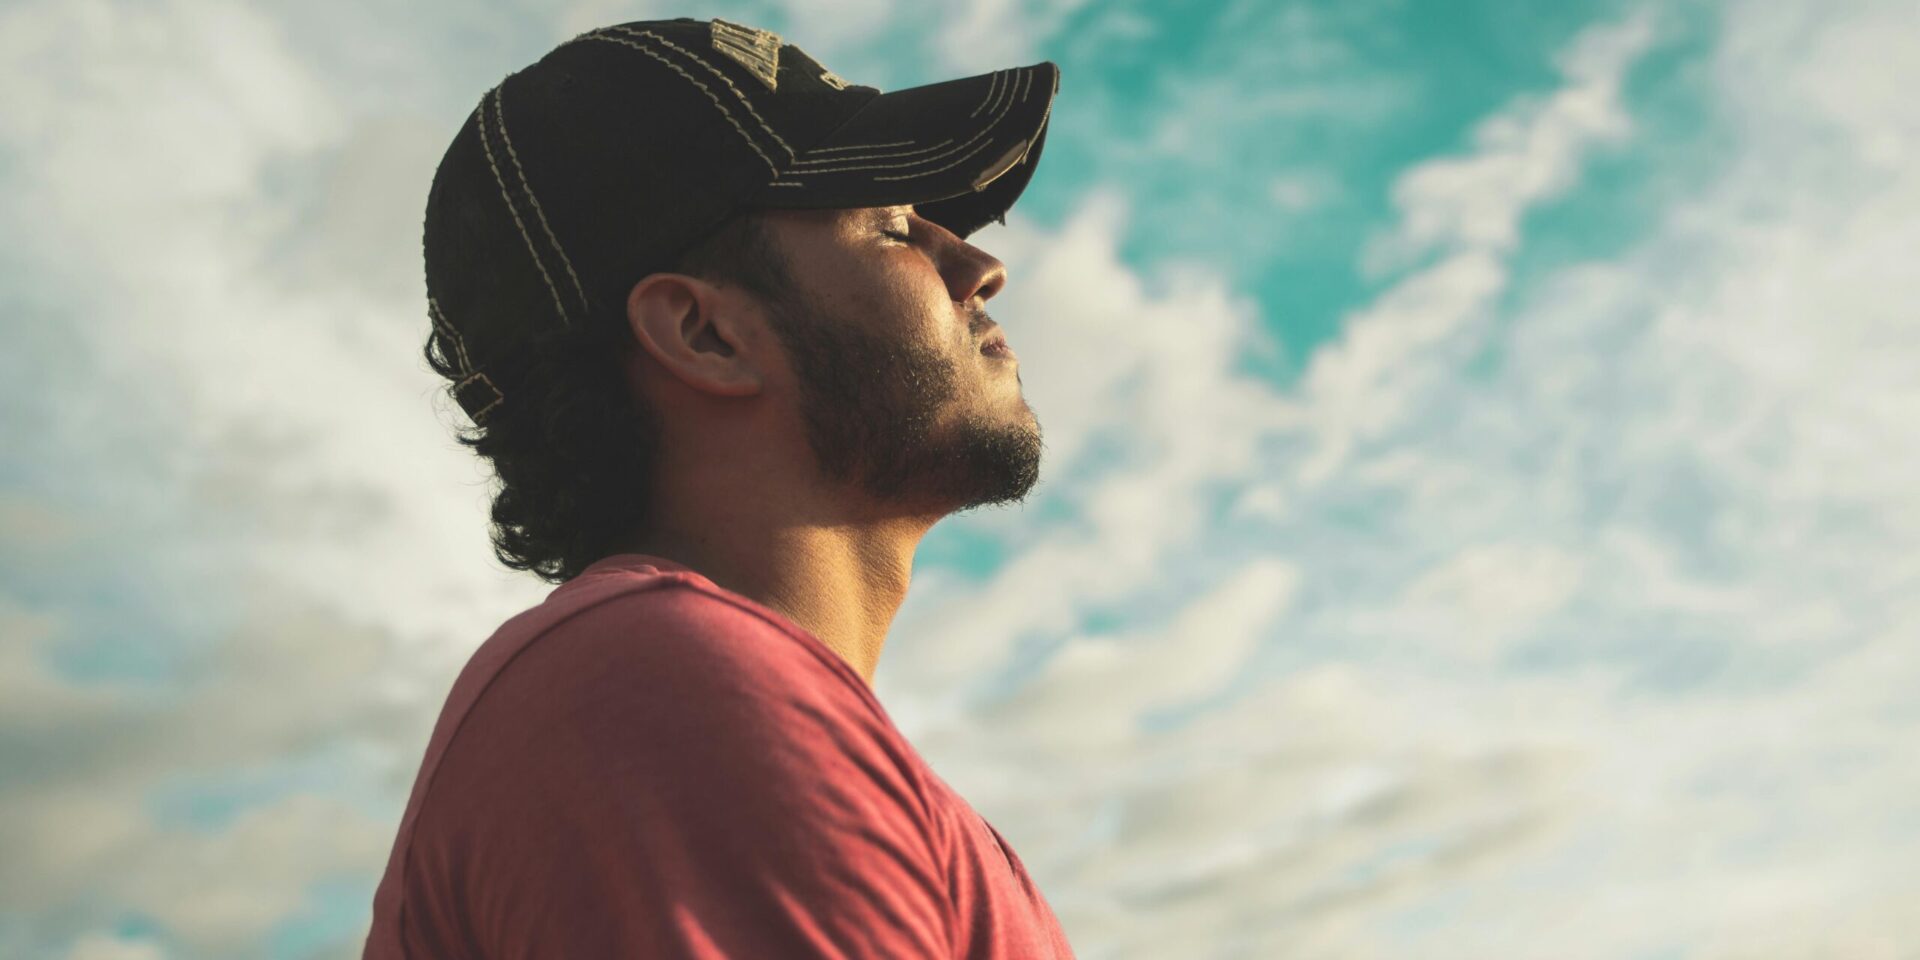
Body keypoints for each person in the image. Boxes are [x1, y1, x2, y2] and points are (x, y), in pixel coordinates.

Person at [361, 15, 1075, 959]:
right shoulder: (662, 688)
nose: (981, 267)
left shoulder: (695, 703)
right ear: (704, 336)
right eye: (892, 225)